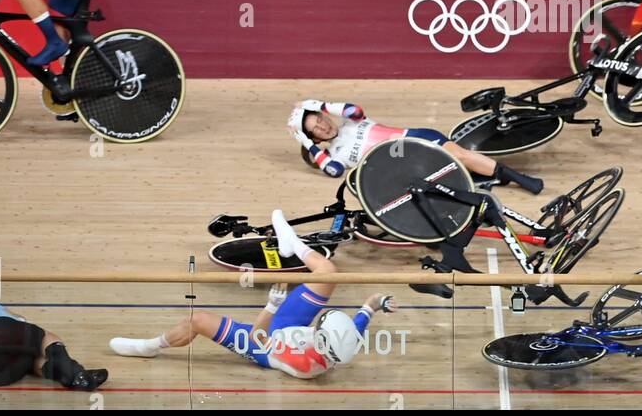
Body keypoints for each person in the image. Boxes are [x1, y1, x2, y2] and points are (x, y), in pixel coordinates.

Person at [111, 214, 396, 380]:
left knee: (198, 320)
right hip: (292, 333)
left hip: (266, 347)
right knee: (328, 272)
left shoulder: (301, 361)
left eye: (320, 323)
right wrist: (376, 304)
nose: (319, 319)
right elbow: (359, 320)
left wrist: (272, 305)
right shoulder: (341, 343)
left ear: (319, 339)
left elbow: (260, 334)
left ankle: (150, 346)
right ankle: (291, 243)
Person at [291, 100, 543, 193]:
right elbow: (333, 171)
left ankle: (519, 177)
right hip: (405, 167)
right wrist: (304, 141)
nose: (324, 125)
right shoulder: (335, 155)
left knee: (459, 156)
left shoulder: (350, 122)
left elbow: (356, 109)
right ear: (315, 139)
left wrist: (321, 105)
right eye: (316, 128)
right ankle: (486, 176)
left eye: (321, 119)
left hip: (415, 139)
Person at [0, 288, 105, 390]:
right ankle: (76, 374)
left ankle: (63, 375)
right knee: (40, 336)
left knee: (28, 357)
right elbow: (18, 321)